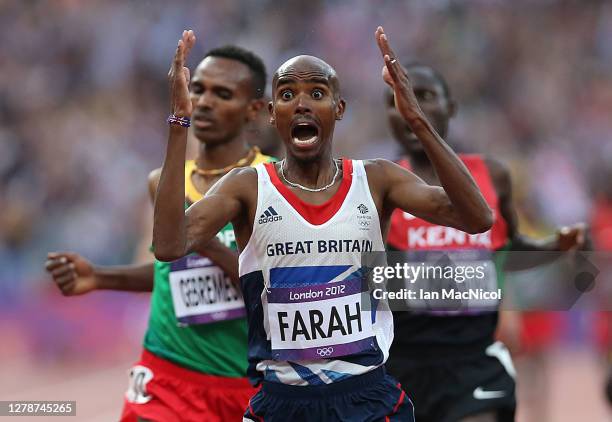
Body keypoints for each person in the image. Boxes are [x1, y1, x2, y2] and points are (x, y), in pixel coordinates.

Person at [153, 28, 493, 421]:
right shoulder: (248, 187)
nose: (301, 104)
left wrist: (416, 119)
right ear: (270, 113)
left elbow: (476, 217)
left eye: (317, 93)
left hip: (368, 399)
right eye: (286, 94)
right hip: (282, 403)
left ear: (339, 108)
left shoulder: (377, 180)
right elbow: (169, 245)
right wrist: (179, 121)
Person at [45, 43, 275, 422]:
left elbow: (273, 290)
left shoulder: (273, 183)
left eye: (223, 94)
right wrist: (100, 276)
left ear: (253, 109)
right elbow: (172, 272)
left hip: (244, 383)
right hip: (166, 375)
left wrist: (205, 242)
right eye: (198, 88)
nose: (203, 102)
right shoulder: (163, 184)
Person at [383, 62, 586, 422]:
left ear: (452, 108)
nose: (409, 108)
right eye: (394, 100)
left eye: (425, 97)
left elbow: (504, 251)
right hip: (402, 364)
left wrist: (554, 246)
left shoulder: (493, 176)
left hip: (473, 362)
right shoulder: (379, 183)